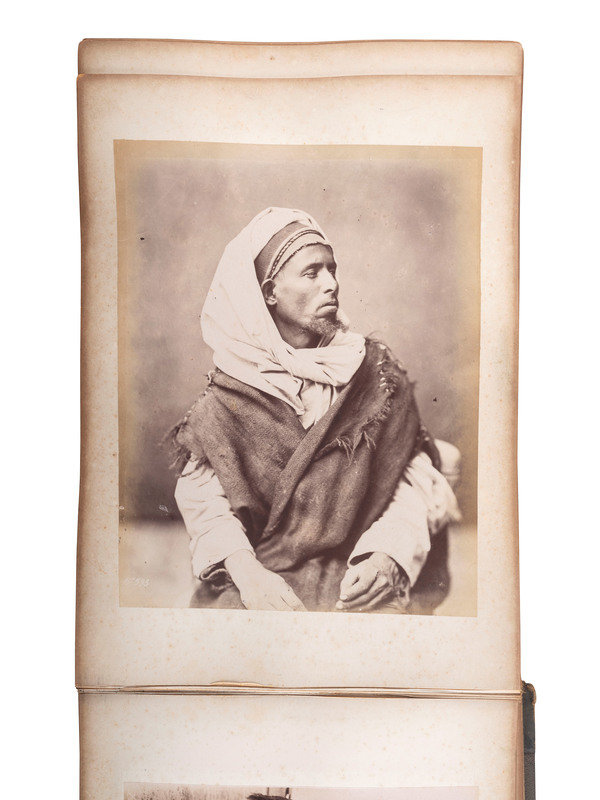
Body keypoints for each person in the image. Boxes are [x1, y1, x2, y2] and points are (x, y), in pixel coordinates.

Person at [170, 207, 461, 613]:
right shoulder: (226, 398)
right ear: (269, 292)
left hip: (361, 559)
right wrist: (249, 574)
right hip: (262, 569)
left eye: (332, 270)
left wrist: (386, 556)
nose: (332, 284)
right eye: (312, 273)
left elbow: (409, 482)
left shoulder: (375, 373)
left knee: (379, 626)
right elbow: (207, 505)